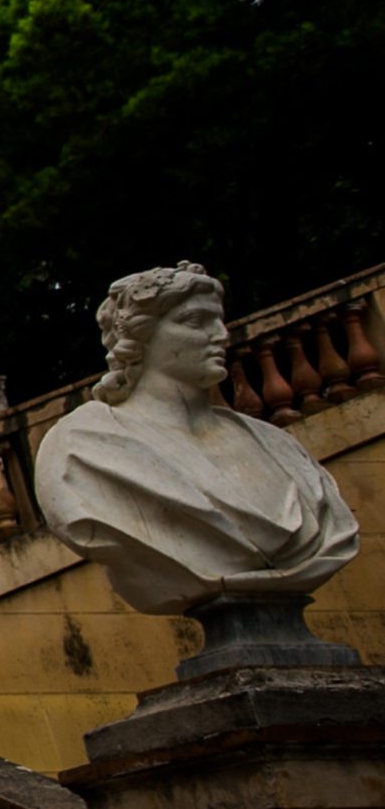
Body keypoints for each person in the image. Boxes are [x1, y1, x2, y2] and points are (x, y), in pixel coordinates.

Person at [33, 260, 359, 615]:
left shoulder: (275, 443)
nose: (220, 335)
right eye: (194, 322)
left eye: (219, 320)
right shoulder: (81, 446)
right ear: (139, 337)